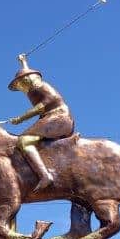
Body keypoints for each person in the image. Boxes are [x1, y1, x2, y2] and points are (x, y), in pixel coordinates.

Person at [7, 53, 74, 192]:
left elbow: (42, 106)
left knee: (24, 140)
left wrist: (20, 118)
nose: (20, 86)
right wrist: (23, 62)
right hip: (51, 118)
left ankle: (44, 175)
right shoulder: (33, 92)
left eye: (20, 82)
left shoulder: (42, 86)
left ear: (27, 79)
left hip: (59, 118)